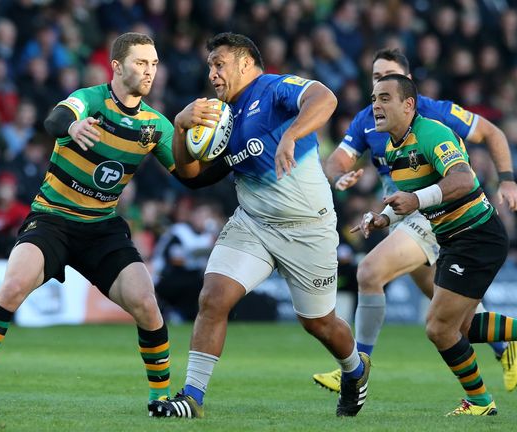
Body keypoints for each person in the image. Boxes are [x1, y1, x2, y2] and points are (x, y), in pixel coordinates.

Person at [0, 32, 192, 414]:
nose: (150, 71)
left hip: (101, 227)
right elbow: (56, 118)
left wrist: (201, 143)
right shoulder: (88, 99)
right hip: (52, 219)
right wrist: (72, 127)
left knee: (147, 305)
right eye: (141, 63)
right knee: (14, 286)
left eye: (154, 64)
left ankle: (160, 400)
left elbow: (190, 176)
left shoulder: (157, 125)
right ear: (117, 66)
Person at [149, 32, 370, 419]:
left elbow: (325, 98)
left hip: (309, 228)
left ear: (246, 64)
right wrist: (180, 129)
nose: (213, 74)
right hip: (254, 223)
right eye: (210, 67)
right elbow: (192, 177)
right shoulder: (219, 117)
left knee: (318, 323)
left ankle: (355, 370)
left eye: (220, 64)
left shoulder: (272, 89)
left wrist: (291, 134)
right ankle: (192, 398)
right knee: (213, 298)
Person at [352, 74, 517, 416]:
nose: (375, 105)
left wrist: (415, 200)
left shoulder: (433, 133)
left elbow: (462, 178)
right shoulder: (392, 148)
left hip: (477, 236)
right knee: (460, 327)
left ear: (408, 104)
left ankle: (480, 401)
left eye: (384, 97)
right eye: (373, 98)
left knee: (438, 327)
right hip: (453, 240)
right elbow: (410, 197)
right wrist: (383, 218)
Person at [314, 48, 517, 394]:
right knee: (450, 311)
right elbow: (336, 161)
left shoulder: (434, 114)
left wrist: (508, 178)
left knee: (369, 272)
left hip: (431, 212)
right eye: (375, 77)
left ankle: (355, 367)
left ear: (406, 82)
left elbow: (492, 133)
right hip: (400, 216)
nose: (380, 83)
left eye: (387, 76)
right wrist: (339, 177)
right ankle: (504, 347)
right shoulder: (368, 118)